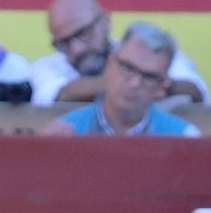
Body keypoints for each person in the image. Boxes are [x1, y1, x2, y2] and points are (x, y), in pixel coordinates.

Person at [28, 0, 208, 107]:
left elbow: (196, 91)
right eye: (63, 42)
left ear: (106, 21)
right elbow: (58, 95)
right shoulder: (46, 66)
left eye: (83, 33)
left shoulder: (149, 52)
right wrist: (145, 82)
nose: (76, 49)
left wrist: (166, 86)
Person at [42, 22, 202, 138]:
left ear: (162, 87)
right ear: (109, 64)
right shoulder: (66, 133)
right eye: (128, 68)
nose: (134, 83)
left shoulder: (185, 139)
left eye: (149, 77)